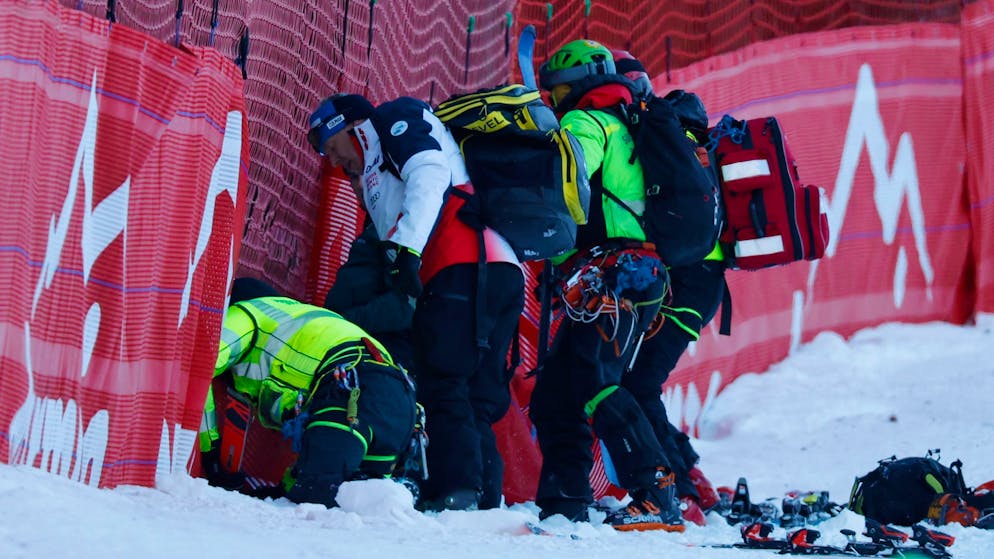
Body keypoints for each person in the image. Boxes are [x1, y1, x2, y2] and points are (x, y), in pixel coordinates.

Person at [529, 39, 725, 531]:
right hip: (634, 273)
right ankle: (565, 500)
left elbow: (568, 176)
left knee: (598, 381)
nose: (553, 100)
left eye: (556, 89)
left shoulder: (588, 121)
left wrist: (549, 233)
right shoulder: (628, 119)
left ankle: (655, 492)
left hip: (617, 273)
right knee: (558, 391)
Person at [306, 93, 525, 511]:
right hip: (498, 268)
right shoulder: (373, 173)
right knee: (475, 391)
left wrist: (406, 250)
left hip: (461, 264)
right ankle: (483, 499)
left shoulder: (392, 118)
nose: (334, 162)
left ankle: (457, 492)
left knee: (444, 380)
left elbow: (429, 171)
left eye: (332, 148)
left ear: (349, 128)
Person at [198, 289, 417, 508]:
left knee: (315, 500)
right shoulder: (303, 321)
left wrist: (210, 453)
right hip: (400, 401)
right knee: (369, 507)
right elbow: (315, 441)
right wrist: (283, 490)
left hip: (353, 393)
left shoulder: (245, 314)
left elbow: (200, 368)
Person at [324, 220, 416, 372]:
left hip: (379, 354)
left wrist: (341, 323)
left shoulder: (414, 230)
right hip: (342, 341)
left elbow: (405, 304)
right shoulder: (380, 219)